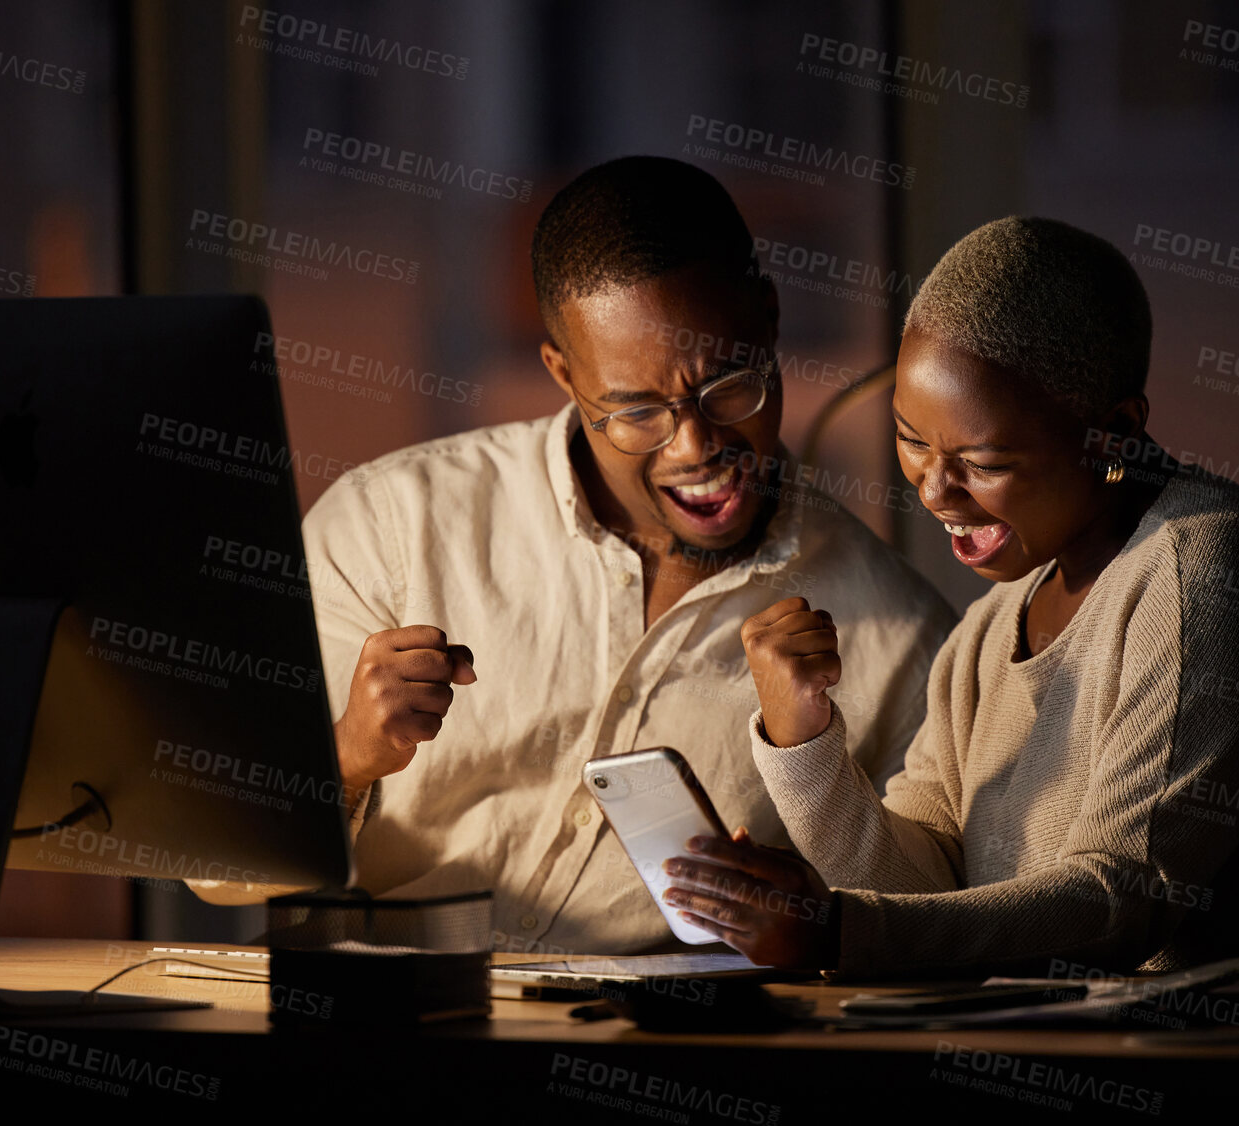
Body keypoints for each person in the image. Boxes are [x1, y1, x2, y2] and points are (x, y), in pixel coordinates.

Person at [193, 157, 954, 957]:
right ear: (562, 372)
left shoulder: (903, 639)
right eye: (634, 412)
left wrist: (814, 914)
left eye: (729, 386)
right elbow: (214, 867)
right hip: (375, 1040)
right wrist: (346, 755)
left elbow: (930, 930)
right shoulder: (391, 525)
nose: (695, 448)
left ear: (767, 318)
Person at [664, 216, 1239, 974]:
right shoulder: (988, 632)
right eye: (911, 440)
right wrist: (804, 746)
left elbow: (1122, 903)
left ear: (1112, 434)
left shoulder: (1209, 571)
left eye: (985, 460)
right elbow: (927, 894)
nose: (936, 490)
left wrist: (839, 929)